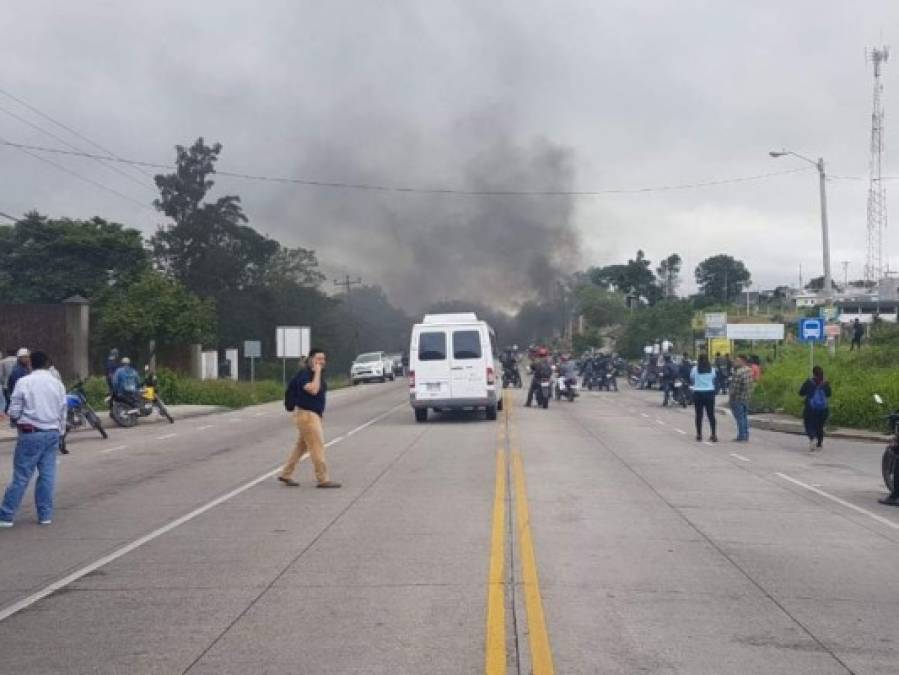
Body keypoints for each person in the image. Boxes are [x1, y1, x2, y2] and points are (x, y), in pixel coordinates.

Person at [0, 351, 67, 527]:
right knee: (47, 475)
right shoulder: (57, 384)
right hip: (52, 432)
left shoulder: (24, 382)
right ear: (47, 364)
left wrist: (17, 419)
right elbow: (63, 411)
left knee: (21, 476)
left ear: (30, 364)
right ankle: (45, 515)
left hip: (31, 433)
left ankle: (6, 516)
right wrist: (60, 432)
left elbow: (14, 410)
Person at [278, 349, 340, 488]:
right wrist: (317, 372)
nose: (321, 362)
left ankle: (286, 474)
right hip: (307, 415)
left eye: (323, 359)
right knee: (317, 447)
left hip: (312, 415)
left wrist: (317, 373)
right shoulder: (305, 375)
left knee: (300, 447)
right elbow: (313, 390)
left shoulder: (312, 374)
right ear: (311, 359)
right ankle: (323, 479)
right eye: (318, 359)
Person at [799, 366, 832, 452]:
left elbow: (801, 393)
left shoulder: (809, 382)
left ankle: (813, 438)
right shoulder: (826, 383)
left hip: (810, 408)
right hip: (823, 409)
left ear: (813, 373)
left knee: (808, 424)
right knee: (820, 426)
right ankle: (819, 444)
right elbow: (829, 394)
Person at [691, 354, 718, 442]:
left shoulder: (695, 369)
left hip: (698, 393)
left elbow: (692, 378)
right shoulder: (712, 369)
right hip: (709, 392)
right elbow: (714, 379)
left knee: (699, 415)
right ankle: (713, 434)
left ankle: (699, 434)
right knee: (711, 415)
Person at [729, 355, 754, 442]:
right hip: (746, 397)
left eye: (737, 360)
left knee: (739, 418)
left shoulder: (738, 372)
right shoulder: (749, 370)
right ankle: (745, 435)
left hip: (737, 398)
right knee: (744, 417)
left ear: (743, 361)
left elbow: (734, 388)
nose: (735, 362)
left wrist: (731, 397)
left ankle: (741, 436)